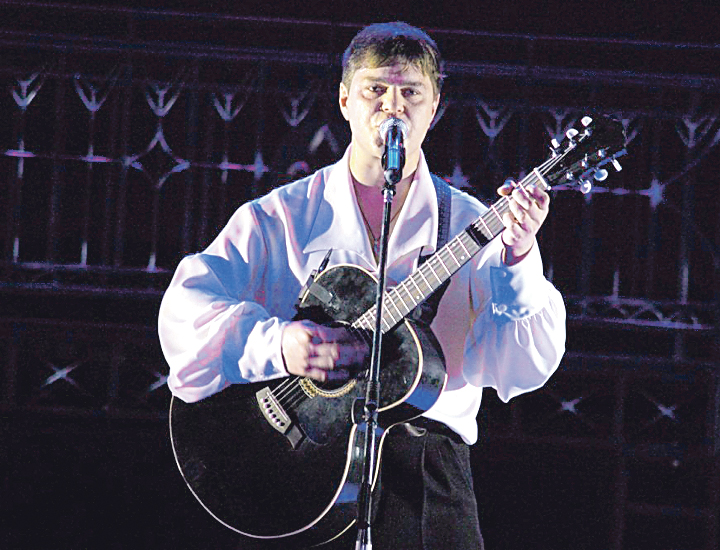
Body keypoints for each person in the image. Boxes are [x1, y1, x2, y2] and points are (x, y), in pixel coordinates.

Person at [159, 21, 566, 550]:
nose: (393, 107)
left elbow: (523, 367)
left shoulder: (472, 225)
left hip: (425, 477)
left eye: (411, 93)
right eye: (376, 90)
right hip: (296, 468)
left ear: (434, 108)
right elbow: (186, 309)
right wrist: (279, 345)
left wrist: (518, 255)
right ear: (346, 101)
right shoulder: (282, 215)